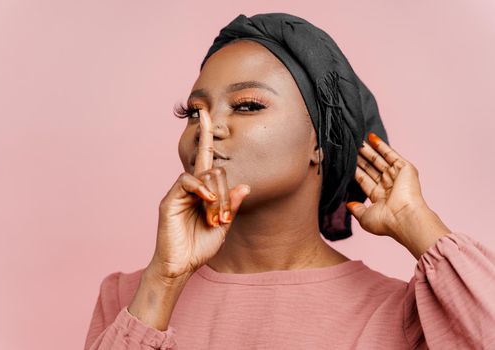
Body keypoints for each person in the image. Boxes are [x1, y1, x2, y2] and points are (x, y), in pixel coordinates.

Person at [83, 13, 495, 350]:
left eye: (246, 105)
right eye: (193, 112)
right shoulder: (130, 297)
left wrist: (418, 223)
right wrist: (164, 280)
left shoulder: (402, 316)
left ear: (321, 140)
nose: (209, 128)